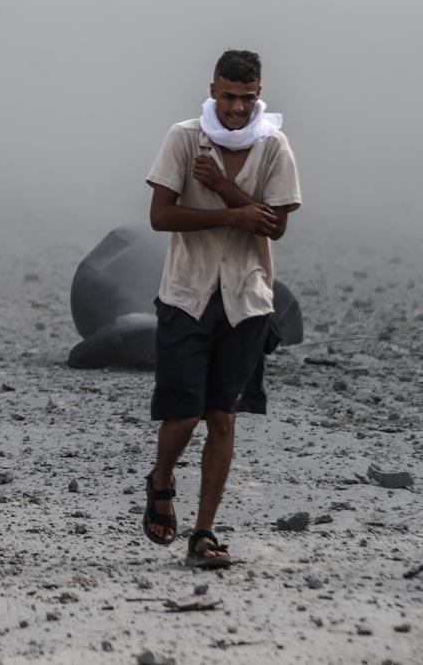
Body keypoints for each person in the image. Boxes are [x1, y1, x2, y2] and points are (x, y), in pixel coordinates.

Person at [141, 49, 302, 568]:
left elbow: (274, 226)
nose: (237, 107)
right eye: (229, 96)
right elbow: (160, 217)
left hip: (248, 298)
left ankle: (204, 532)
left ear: (259, 94)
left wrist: (222, 193)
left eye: (247, 97)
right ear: (213, 90)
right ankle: (162, 478)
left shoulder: (274, 146)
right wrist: (236, 213)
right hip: (186, 293)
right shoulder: (185, 138)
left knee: (223, 417)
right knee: (183, 414)